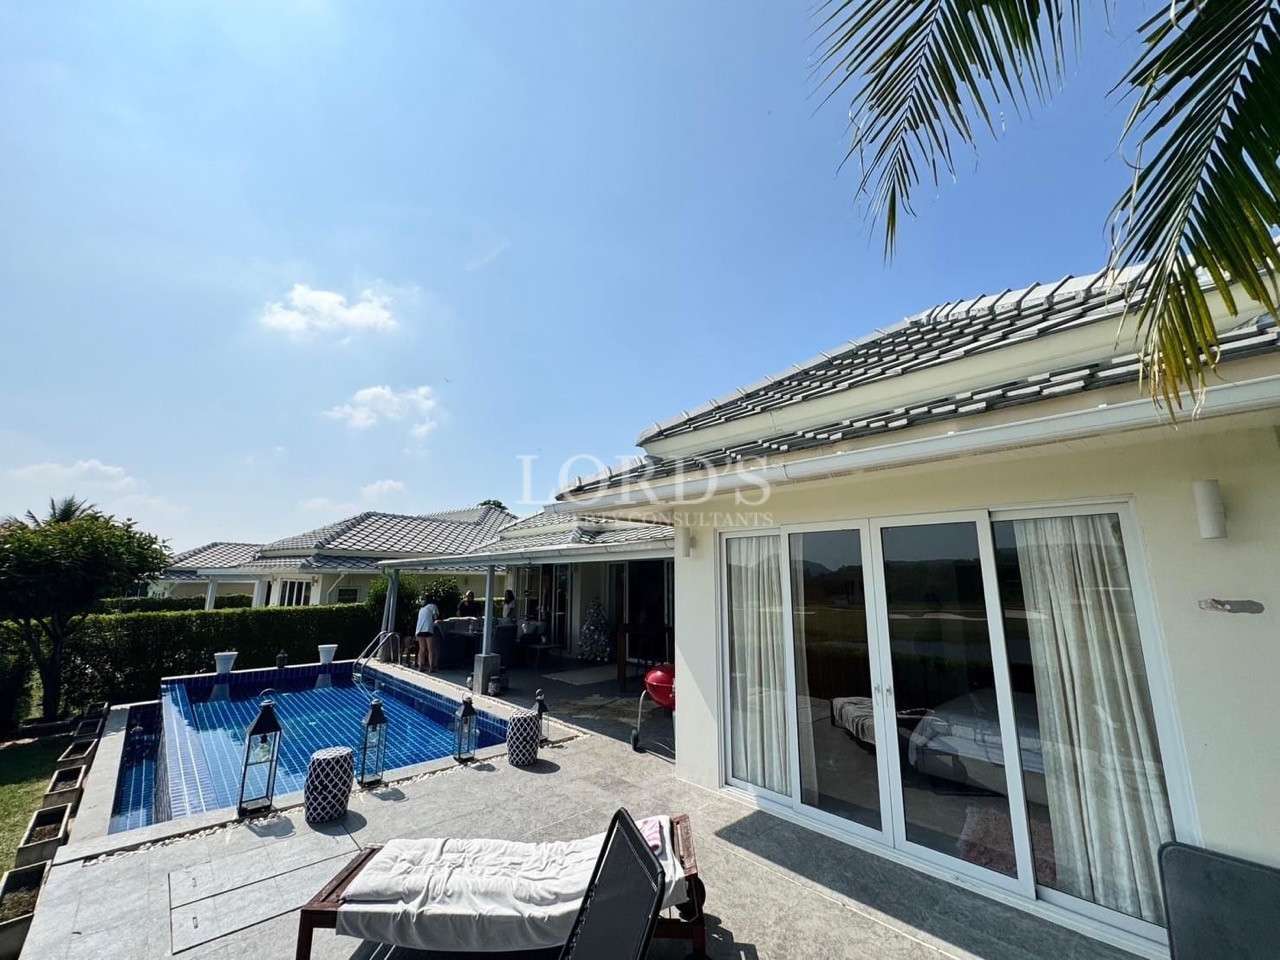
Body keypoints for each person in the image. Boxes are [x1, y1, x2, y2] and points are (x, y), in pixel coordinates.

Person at [415, 599, 440, 672]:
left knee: (422, 649)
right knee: (430, 649)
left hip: (419, 630)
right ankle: (431, 667)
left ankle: (420, 667)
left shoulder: (421, 609)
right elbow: (435, 617)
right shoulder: (433, 606)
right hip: (428, 629)